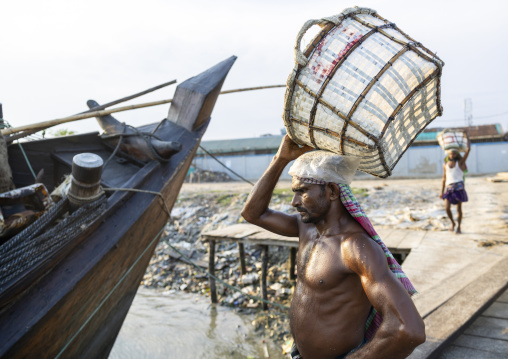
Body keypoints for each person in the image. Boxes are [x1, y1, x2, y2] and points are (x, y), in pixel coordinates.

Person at [241, 135, 425, 359]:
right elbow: (253, 213)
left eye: (303, 191)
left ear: (332, 192)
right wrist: (281, 158)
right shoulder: (306, 228)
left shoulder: (355, 248)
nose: (295, 202)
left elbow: (409, 330)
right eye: (295, 192)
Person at [439, 135, 470, 234]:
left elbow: (468, 149)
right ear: (448, 155)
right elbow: (444, 179)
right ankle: (453, 223)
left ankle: (459, 227)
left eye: (454, 154)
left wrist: (466, 136)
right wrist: (441, 192)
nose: (452, 155)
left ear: (457, 155)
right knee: (447, 208)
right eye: (451, 154)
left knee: (459, 209)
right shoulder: (445, 165)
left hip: (459, 188)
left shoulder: (460, 163)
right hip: (449, 188)